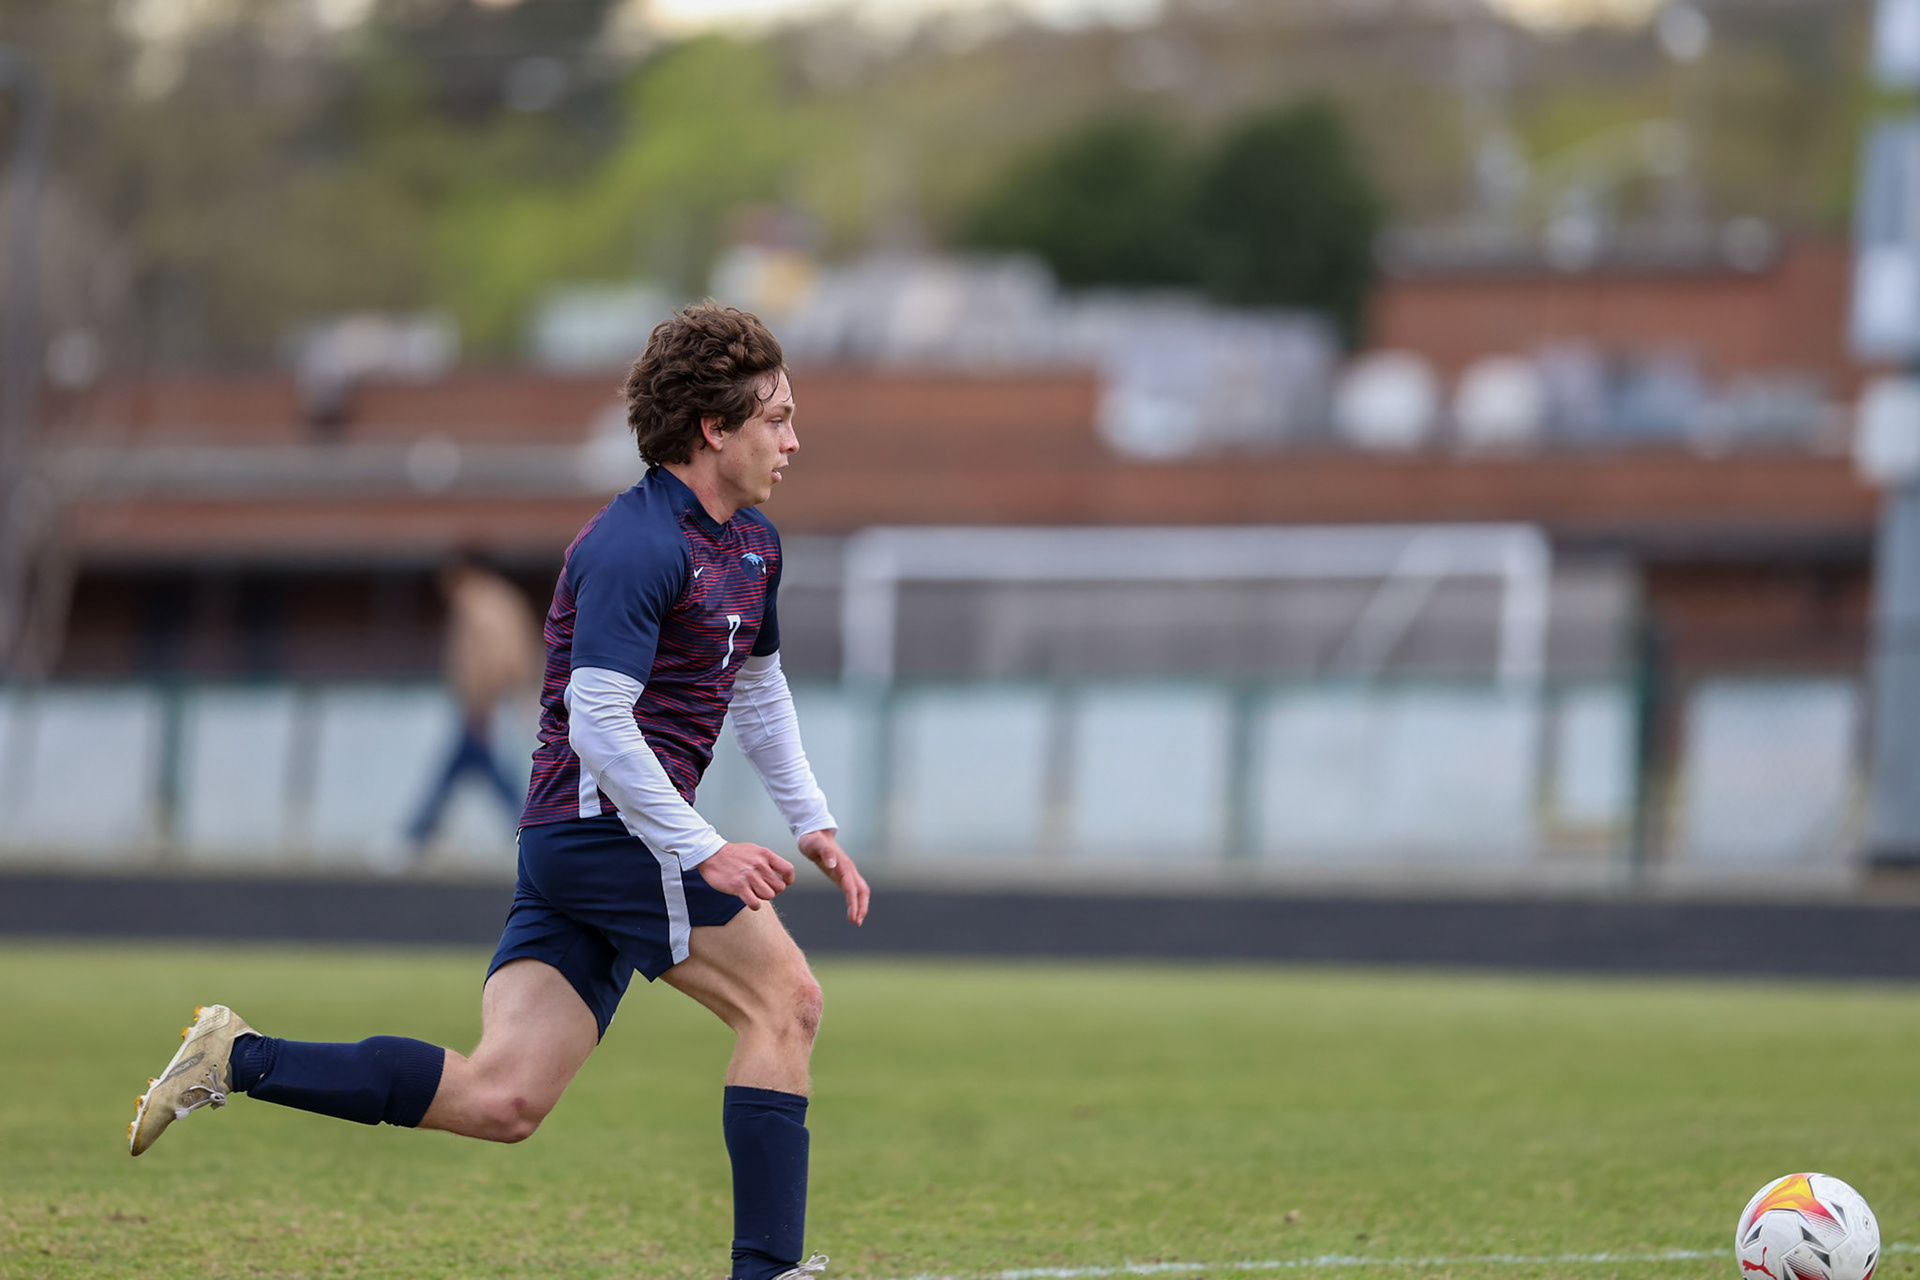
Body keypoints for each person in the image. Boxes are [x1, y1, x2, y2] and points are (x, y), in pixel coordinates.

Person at [127, 303, 871, 1280]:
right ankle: (764, 1270)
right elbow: (600, 725)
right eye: (775, 418)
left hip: (582, 840)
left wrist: (811, 819)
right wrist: (703, 848)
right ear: (713, 429)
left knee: (501, 1097)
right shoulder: (634, 544)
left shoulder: (755, 543)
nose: (793, 440)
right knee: (787, 1002)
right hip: (609, 836)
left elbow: (760, 691)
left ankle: (236, 1057)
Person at [405, 548, 540, 860]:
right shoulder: (504, 597)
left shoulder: (474, 601)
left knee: (488, 770)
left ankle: (417, 835)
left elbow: (487, 658)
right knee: (465, 767)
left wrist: (481, 703)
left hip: (487, 703)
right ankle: (418, 833)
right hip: (501, 699)